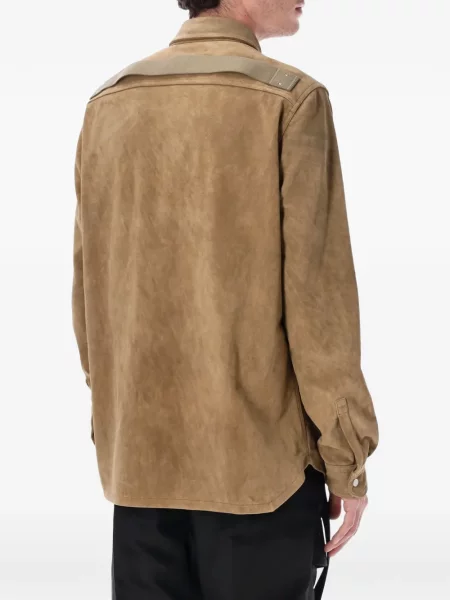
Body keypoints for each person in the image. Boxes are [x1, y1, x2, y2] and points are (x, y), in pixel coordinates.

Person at [71, 1, 380, 598]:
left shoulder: (108, 102)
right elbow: (320, 307)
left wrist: (119, 425)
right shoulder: (291, 100)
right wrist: (347, 459)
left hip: (140, 474)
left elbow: (90, 296)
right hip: (260, 479)